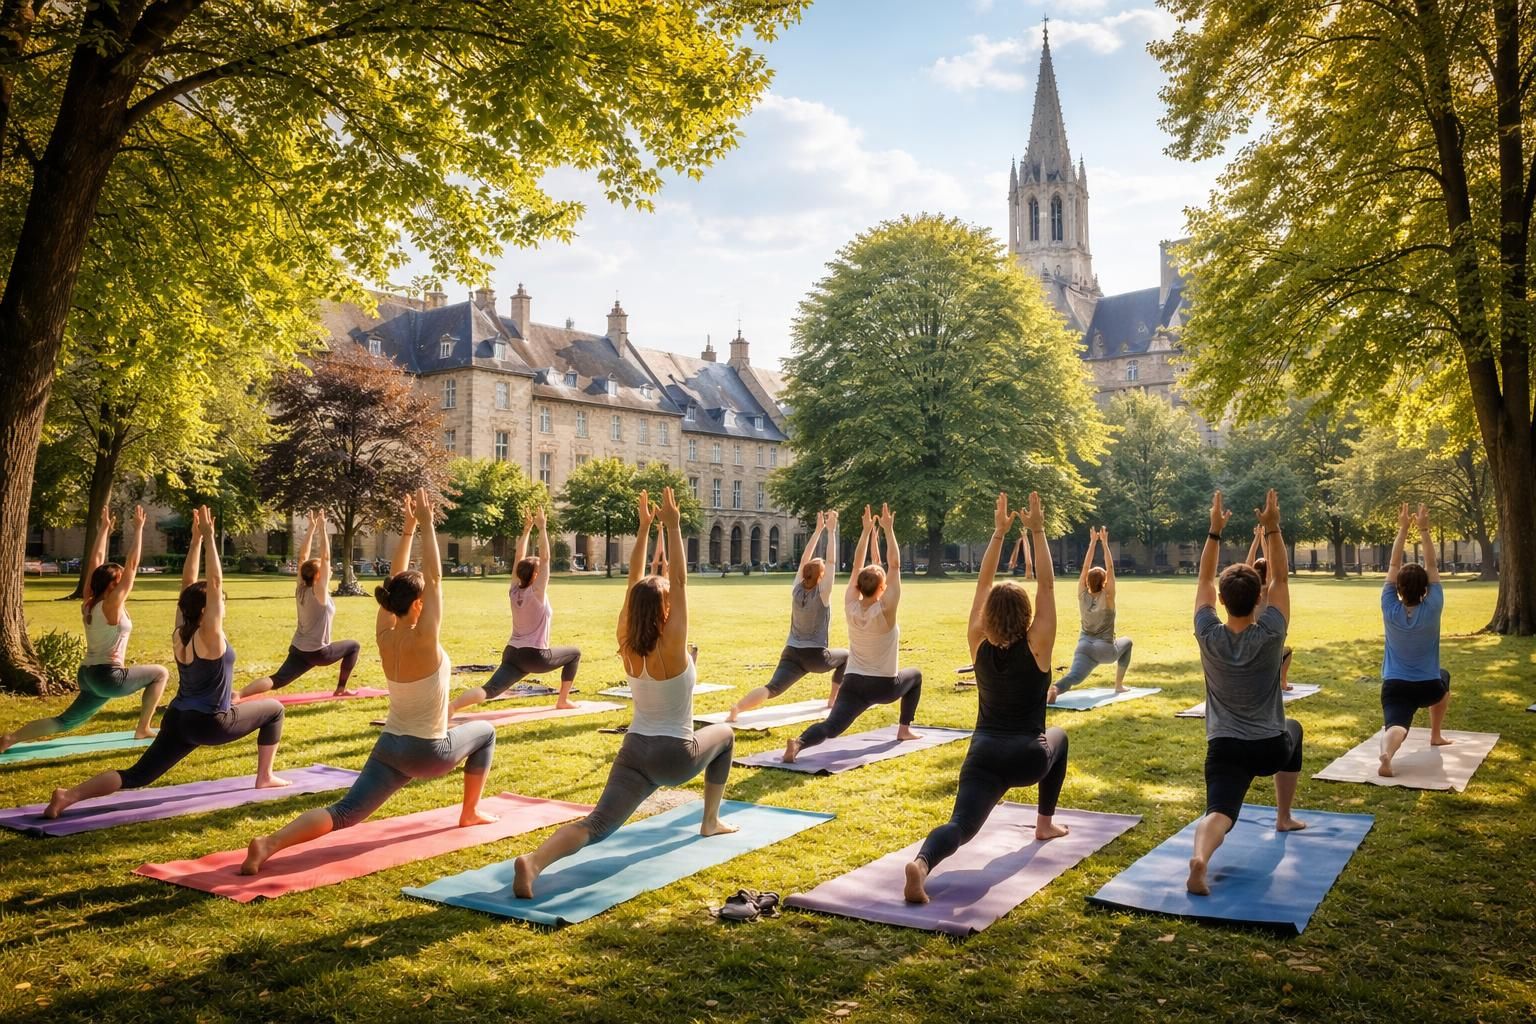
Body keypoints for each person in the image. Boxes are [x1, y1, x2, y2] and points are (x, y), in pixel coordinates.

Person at [242, 489, 499, 873]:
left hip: (389, 748)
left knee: (345, 811)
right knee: (486, 731)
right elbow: (435, 576)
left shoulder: (385, 634)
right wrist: (427, 524)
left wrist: (409, 529)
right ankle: (470, 812)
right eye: (425, 598)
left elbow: (398, 581)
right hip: (429, 752)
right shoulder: (424, 639)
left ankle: (269, 844)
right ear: (417, 605)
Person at [512, 488, 737, 899]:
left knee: (596, 823)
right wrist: (672, 526)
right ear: (666, 609)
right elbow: (681, 581)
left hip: (634, 750)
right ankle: (710, 820)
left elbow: (635, 584)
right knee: (725, 734)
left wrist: (644, 528)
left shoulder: (627, 640)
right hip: (674, 755)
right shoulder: (672, 644)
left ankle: (534, 862)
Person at [44, 507, 289, 819]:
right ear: (205, 610)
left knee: (137, 775)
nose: (223, 603)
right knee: (275, 709)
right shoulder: (210, 634)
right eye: (220, 601)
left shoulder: (181, 630)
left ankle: (68, 796)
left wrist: (195, 540)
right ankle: (265, 777)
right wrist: (210, 539)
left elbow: (189, 582)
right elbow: (213, 581)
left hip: (178, 719)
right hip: (211, 723)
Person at [905, 492, 1068, 904]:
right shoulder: (1038, 645)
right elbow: (1047, 585)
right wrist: (1038, 530)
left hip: (983, 755)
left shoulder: (977, 642)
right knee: (1060, 737)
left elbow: (982, 584)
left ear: (988, 618)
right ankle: (1044, 823)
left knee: (960, 826)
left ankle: (922, 863)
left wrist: (998, 534)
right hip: (1028, 756)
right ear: (1026, 615)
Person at [1186, 489, 1306, 896]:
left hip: (1224, 747)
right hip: (1270, 746)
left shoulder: (1207, 633)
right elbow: (1282, 578)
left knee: (1219, 812)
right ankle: (1283, 815)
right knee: (1296, 727)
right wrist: (1272, 527)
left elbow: (1203, 578)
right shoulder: (1272, 633)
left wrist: (1215, 532)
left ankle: (1201, 856)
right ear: (1259, 598)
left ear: (1221, 601)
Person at [1, 505, 168, 754]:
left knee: (66, 722)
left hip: (88, 675)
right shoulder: (111, 605)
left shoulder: (89, 602)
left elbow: (95, 563)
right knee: (160, 673)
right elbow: (132, 565)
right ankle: (143, 727)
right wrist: (139, 529)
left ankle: (9, 739)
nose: (124, 581)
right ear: (112, 584)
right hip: (107, 677)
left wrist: (103, 530)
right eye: (119, 579)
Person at [782, 503, 921, 764]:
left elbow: (858, 564)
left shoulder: (850, 605)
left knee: (831, 726)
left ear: (857, 586)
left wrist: (866, 531)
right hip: (883, 686)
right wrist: (888, 530)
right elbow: (895, 565)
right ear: (882, 588)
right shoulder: (886, 610)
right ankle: (904, 729)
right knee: (916, 676)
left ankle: (799, 743)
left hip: (853, 683)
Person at [450, 506, 581, 713]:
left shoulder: (514, 589)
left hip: (512, 654)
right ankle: (563, 700)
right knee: (574, 653)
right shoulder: (537, 592)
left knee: (490, 690)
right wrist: (543, 528)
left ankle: (452, 706)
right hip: (535, 656)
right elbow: (545, 557)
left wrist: (527, 530)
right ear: (537, 575)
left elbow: (519, 555)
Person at [726, 510, 847, 722]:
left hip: (791, 652)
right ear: (821, 576)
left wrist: (818, 531)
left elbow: (804, 560)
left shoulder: (797, 589)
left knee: (771, 688)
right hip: (815, 656)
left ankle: (737, 709)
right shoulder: (823, 592)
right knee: (847, 656)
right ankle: (832, 701)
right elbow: (831, 562)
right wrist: (830, 531)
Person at [238, 511, 362, 701]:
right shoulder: (318, 592)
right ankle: (341, 688)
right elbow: (326, 557)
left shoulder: (301, 587)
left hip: (298, 649)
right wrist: (321, 528)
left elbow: (302, 558)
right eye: (324, 569)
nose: (329, 571)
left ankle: (239, 694)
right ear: (318, 575)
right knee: (354, 646)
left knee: (277, 679)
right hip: (319, 652)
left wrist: (311, 528)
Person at [1378, 502, 1453, 776]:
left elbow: (1393, 563)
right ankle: (1435, 734)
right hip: (1428, 687)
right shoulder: (1433, 606)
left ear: (1397, 587)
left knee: (1397, 726)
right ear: (1425, 588)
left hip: (1395, 686)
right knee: (1444, 677)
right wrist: (1423, 529)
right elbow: (1431, 563)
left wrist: (1403, 528)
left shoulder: (1389, 605)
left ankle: (1387, 753)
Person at [1048, 526, 1132, 702]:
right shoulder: (1108, 596)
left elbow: (1086, 566)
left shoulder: (1082, 594)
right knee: (1128, 642)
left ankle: (1055, 689)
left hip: (1084, 646)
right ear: (1105, 581)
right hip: (1105, 650)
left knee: (1074, 677)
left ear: (1087, 581)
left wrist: (1093, 542)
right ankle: (1118, 685)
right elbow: (1110, 566)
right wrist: (1105, 543)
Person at [1246, 525, 1293, 691]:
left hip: (1257, 635)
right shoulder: (1261, 588)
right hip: (1261, 635)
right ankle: (1282, 682)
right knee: (1286, 652)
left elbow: (1259, 563)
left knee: (1285, 651)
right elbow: (1256, 563)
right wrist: (1261, 538)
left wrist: (1259, 539)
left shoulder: (1255, 587)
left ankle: (1281, 681)